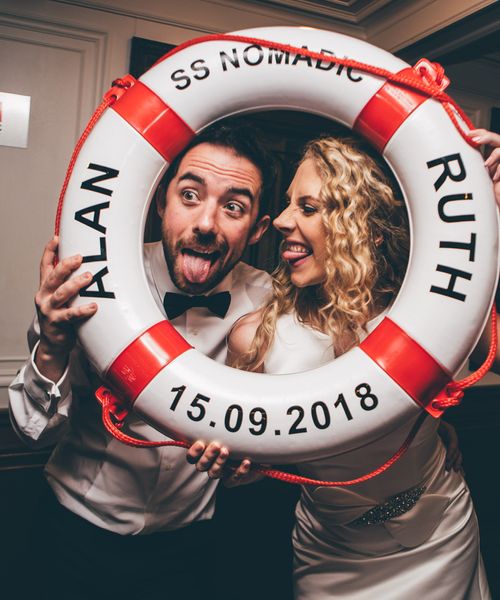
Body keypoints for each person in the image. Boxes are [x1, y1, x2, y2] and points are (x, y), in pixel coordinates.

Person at [190, 133, 497, 599]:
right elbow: (254, 467)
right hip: (330, 552)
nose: (284, 220)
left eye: (309, 208)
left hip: (442, 531)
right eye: (290, 204)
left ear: (365, 228)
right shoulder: (255, 337)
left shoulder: (424, 314)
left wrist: (492, 226)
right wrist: (235, 470)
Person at [8, 122, 273, 600]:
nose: (207, 224)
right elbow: (32, 432)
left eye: (233, 207)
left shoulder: (268, 303)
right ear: (160, 202)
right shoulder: (95, 280)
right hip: (74, 533)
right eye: (190, 195)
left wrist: (246, 467)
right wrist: (50, 344)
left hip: (191, 548)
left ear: (257, 230)